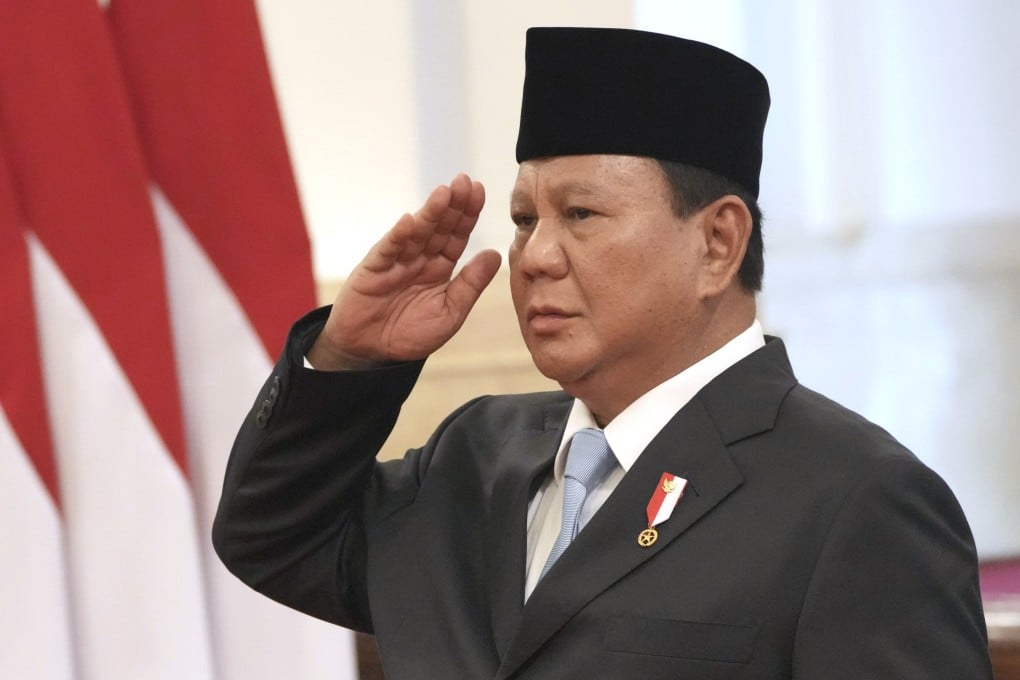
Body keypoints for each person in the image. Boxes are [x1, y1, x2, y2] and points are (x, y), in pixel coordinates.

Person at [213, 27, 992, 679]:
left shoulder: (855, 501)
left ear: (717, 244)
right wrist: (349, 357)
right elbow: (275, 537)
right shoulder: (477, 456)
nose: (536, 256)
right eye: (523, 219)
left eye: (580, 213)